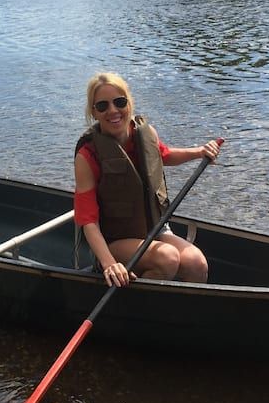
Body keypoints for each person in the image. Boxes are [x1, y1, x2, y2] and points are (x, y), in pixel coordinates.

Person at [74, 72, 221, 287]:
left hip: (153, 228)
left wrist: (199, 152)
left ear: (129, 103)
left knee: (196, 263)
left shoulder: (145, 134)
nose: (113, 110)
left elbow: (163, 155)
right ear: (94, 112)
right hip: (113, 241)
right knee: (167, 258)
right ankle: (133, 302)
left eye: (119, 102)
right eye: (103, 106)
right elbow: (88, 220)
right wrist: (109, 263)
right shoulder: (87, 156)